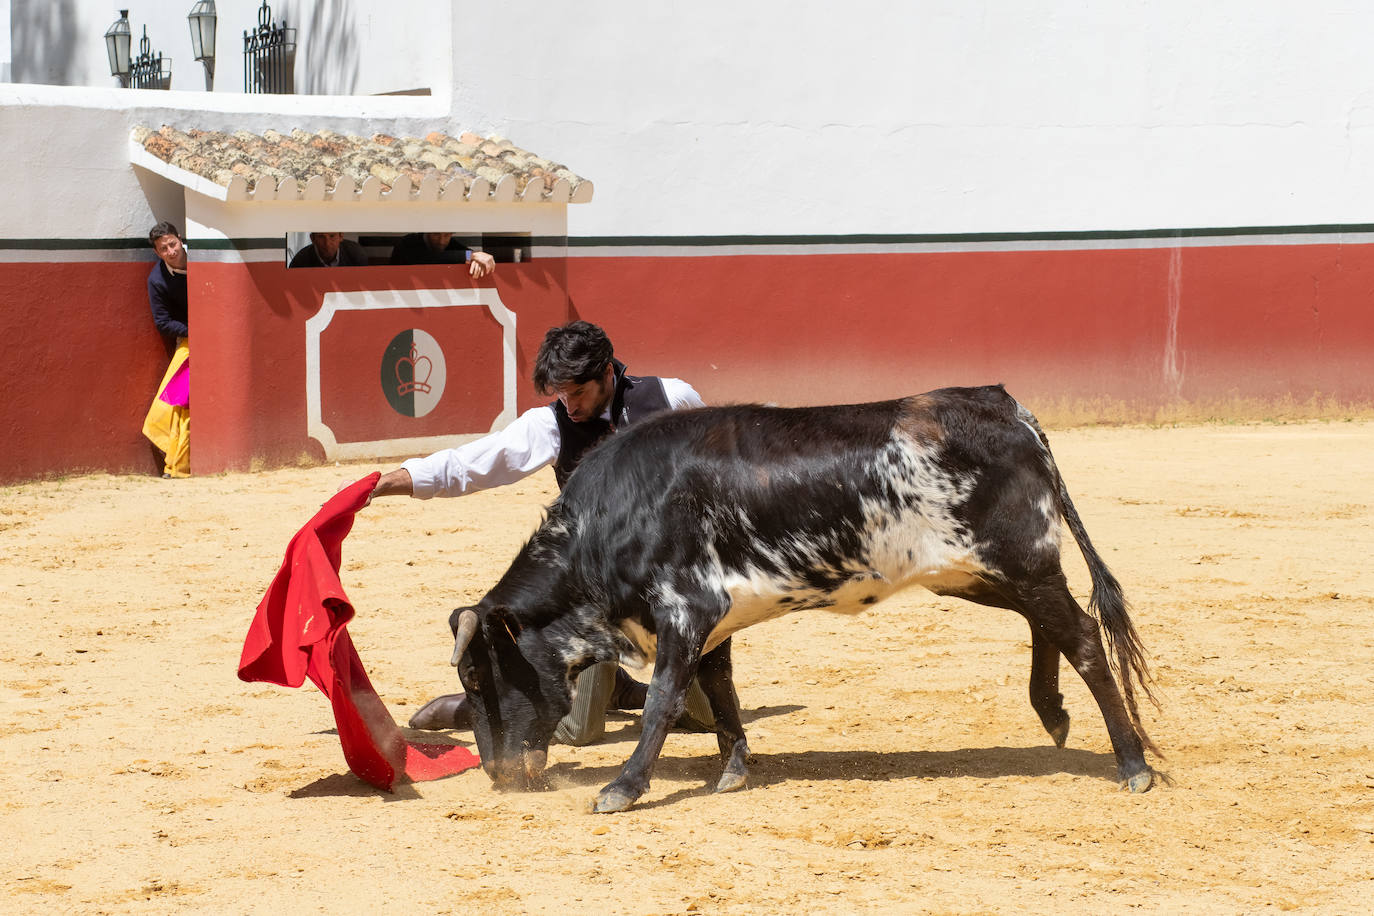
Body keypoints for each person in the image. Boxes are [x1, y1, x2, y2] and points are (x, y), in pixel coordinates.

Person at [366, 320, 714, 745]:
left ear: (608, 373)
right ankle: (501, 699)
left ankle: (619, 686)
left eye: (578, 392)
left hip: (671, 585)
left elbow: (714, 468)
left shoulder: (671, 398)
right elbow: (470, 464)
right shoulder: (550, 425)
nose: (569, 405)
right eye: (561, 393)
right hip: (601, 590)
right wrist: (387, 482)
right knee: (580, 731)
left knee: (706, 717)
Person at [141, 221, 191, 478]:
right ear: (157, 253)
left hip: (216, 338)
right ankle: (175, 460)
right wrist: (195, 332)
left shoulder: (204, 259)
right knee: (173, 401)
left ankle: (177, 462)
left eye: (172, 244)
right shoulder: (157, 280)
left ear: (180, 239)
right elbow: (163, 322)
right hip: (189, 341)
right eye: (164, 248)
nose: (171, 251)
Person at [388, 231, 496, 278]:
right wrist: (471, 256)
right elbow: (429, 258)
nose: (442, 241)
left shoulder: (451, 243)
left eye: (447, 235)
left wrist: (476, 257)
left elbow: (466, 253)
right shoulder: (408, 242)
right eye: (436, 235)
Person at [289, 232, 370, 268]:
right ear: (312, 238)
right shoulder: (300, 261)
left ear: (341, 236)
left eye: (332, 236)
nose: (327, 243)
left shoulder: (357, 254)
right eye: (321, 236)